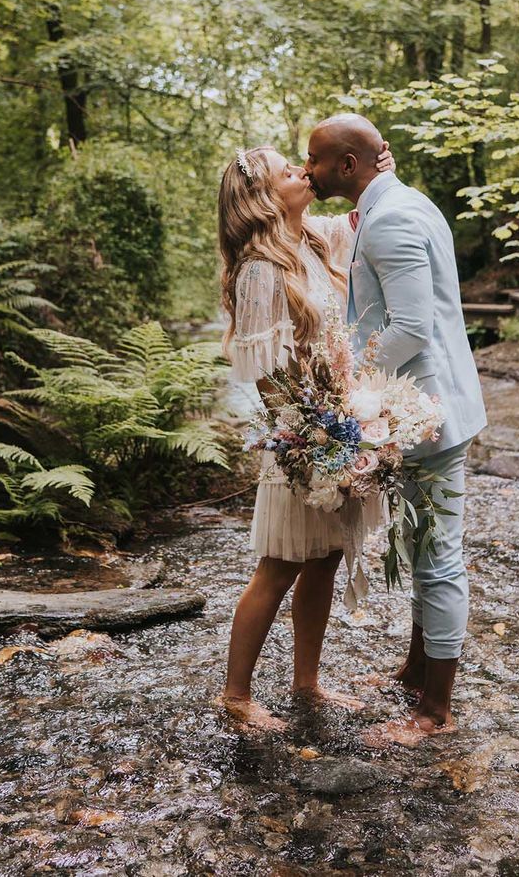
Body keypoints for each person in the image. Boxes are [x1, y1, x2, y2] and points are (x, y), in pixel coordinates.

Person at [305, 113, 487, 745]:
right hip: (423, 406)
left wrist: (347, 387)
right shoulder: (398, 204)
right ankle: (417, 668)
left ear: (348, 165)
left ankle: (434, 710)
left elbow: (410, 328)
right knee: (419, 547)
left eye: (317, 160)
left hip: (424, 411)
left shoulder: (392, 219)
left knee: (437, 559)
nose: (310, 168)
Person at [216, 141, 394, 731]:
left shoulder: (313, 238)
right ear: (263, 198)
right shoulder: (261, 268)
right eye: (287, 171)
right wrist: (306, 437)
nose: (302, 171)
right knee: (279, 565)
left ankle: (307, 682)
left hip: (341, 423)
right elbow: (263, 371)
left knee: (325, 560)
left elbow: (363, 215)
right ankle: (236, 696)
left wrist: (376, 168)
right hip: (301, 435)